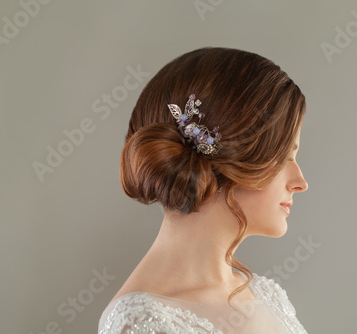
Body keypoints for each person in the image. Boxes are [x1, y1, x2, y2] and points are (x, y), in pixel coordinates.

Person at [97, 47, 309, 333]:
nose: (301, 182)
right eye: (284, 157)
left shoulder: (266, 295)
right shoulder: (140, 323)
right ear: (231, 157)